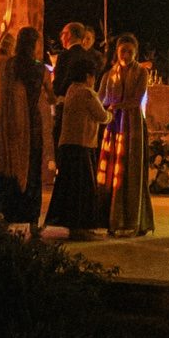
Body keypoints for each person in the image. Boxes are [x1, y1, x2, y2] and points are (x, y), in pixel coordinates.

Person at [0, 24, 56, 225]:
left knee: (9, 165)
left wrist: (2, 33)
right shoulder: (41, 69)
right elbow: (51, 97)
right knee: (31, 167)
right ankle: (30, 217)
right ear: (34, 45)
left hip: (7, 124)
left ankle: (7, 212)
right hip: (32, 123)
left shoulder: (7, 65)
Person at [98, 33, 154, 236]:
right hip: (113, 124)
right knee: (113, 167)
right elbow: (101, 98)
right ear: (117, 52)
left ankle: (135, 220)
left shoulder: (141, 73)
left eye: (130, 51)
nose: (127, 55)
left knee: (132, 168)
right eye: (123, 51)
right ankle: (112, 219)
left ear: (136, 53)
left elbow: (137, 98)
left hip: (132, 124)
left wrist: (117, 105)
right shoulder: (109, 74)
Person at [47, 67, 106, 232]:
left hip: (67, 144)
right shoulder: (87, 93)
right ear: (88, 76)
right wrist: (111, 114)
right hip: (82, 144)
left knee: (67, 186)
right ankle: (81, 225)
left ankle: (67, 222)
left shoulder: (71, 90)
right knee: (83, 188)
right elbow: (101, 116)